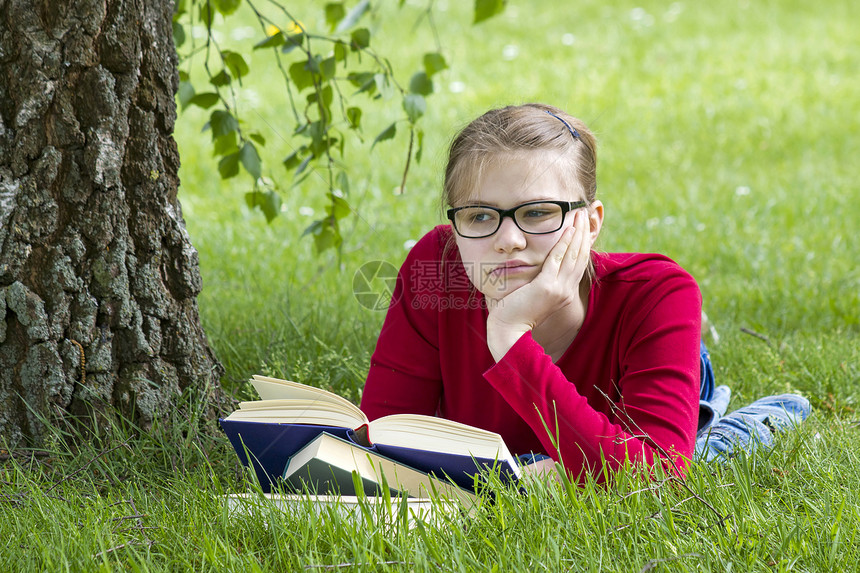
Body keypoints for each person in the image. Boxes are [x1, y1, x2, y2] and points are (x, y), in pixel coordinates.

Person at [360, 103, 705, 482]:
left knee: (723, 436)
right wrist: (543, 476)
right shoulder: (438, 267)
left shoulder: (656, 293)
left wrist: (510, 336)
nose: (508, 240)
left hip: (641, 351)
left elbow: (657, 475)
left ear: (591, 223)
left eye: (538, 212)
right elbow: (382, 445)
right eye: (479, 215)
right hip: (593, 434)